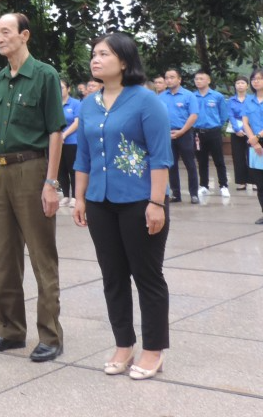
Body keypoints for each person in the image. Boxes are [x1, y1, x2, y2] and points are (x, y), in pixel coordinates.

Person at [73, 33, 172, 381]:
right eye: (94, 54)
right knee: (113, 277)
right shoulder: (88, 103)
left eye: (104, 54)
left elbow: (161, 156)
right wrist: (81, 198)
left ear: (125, 62)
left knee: (147, 277)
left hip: (140, 202)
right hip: (100, 203)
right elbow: (83, 156)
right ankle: (123, 344)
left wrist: (156, 203)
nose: (95, 60)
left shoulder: (146, 101)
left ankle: (154, 349)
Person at [0, 12, 66, 362]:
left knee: (42, 256)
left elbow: (55, 131)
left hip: (33, 169)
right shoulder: (0, 78)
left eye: (6, 32)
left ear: (24, 35)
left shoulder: (44, 75)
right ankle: (10, 331)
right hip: (2, 172)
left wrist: (51, 183)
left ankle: (50, 336)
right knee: (4, 257)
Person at [158, 68, 200, 203]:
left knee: (190, 164)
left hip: (185, 133)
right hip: (167, 134)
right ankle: (176, 194)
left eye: (172, 77)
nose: (169, 80)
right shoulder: (161, 97)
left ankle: (194, 194)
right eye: (167, 77)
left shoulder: (188, 95)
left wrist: (182, 131)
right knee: (171, 165)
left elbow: (193, 115)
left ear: (179, 79)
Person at [192, 70, 230, 198]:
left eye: (201, 78)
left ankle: (223, 185)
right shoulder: (192, 97)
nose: (198, 81)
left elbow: (224, 114)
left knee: (219, 160)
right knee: (201, 161)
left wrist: (217, 125)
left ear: (208, 80)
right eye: (196, 79)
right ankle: (204, 186)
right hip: (197, 133)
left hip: (213, 132)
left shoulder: (217, 96)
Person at [240, 69, 263, 224]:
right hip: (254, 145)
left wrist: (258, 137)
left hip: (259, 139)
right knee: (260, 183)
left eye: (260, 79)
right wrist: (252, 139)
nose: (256, 81)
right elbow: (245, 122)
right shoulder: (248, 100)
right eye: (254, 79)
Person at [60, 78, 81, 206]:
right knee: (61, 169)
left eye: (62, 87)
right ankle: (65, 195)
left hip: (72, 141)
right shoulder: (54, 104)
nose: (59, 90)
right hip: (57, 142)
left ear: (68, 89)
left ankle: (75, 196)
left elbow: (77, 122)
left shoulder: (75, 103)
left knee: (73, 169)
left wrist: (65, 134)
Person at [228, 75, 250, 191]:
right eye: (238, 83)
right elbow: (230, 115)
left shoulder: (252, 99)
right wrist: (237, 129)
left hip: (251, 132)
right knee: (238, 157)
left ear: (247, 85)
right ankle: (241, 181)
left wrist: (247, 129)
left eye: (242, 83)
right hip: (236, 132)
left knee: (252, 156)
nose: (240, 85)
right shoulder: (231, 100)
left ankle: (255, 181)